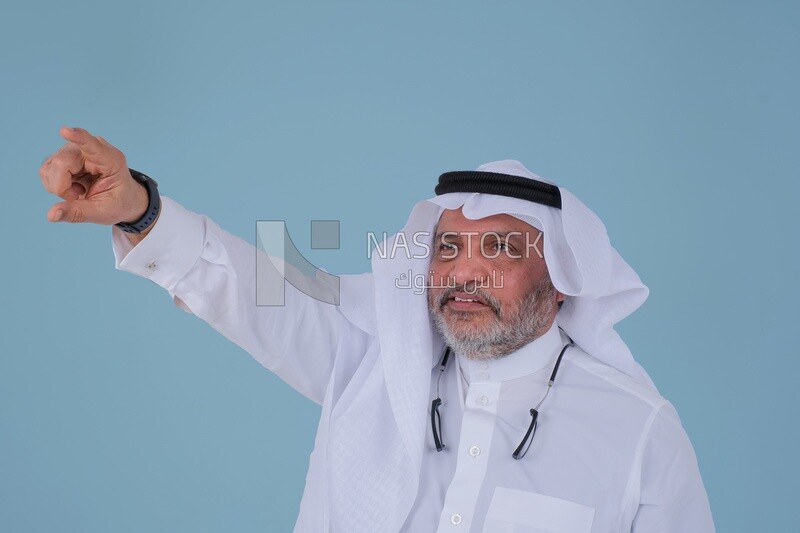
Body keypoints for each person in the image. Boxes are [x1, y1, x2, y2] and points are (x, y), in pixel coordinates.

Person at [40, 127, 715, 532]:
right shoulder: (369, 355)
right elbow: (251, 291)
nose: (464, 273)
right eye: (447, 248)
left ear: (565, 274)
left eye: (501, 250)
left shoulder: (638, 432)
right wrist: (141, 211)